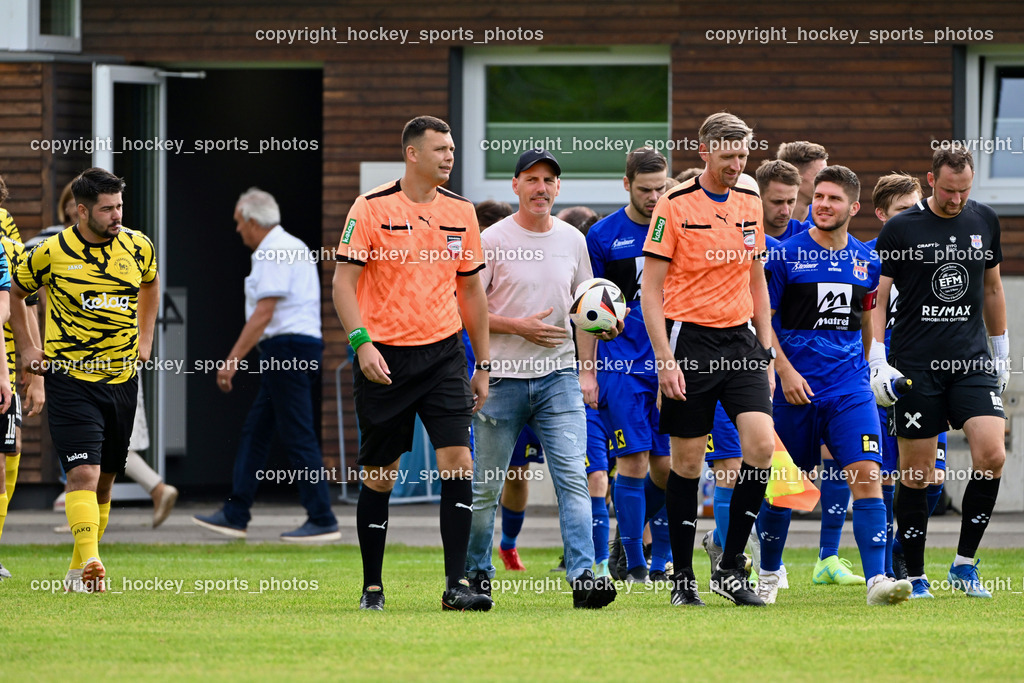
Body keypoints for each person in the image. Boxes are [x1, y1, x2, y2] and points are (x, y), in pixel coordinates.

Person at [333, 115, 492, 612]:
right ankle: (373, 587)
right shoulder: (372, 207)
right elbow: (343, 283)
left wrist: (482, 362)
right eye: (440, 148)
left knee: (459, 464)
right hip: (383, 355)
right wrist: (361, 344)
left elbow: (471, 291)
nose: (449, 155)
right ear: (412, 154)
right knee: (381, 473)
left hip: (444, 354)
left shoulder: (461, 212)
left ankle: (456, 586)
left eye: (451, 148)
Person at [465, 148, 617, 610]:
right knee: (487, 484)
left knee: (573, 476)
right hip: (501, 381)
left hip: (558, 378)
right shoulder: (490, 239)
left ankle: (584, 577)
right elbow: (467, 311)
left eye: (549, 180)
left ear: (558, 188)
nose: (541, 188)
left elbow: (586, 306)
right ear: (516, 186)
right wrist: (518, 326)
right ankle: (476, 574)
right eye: (531, 179)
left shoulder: (573, 239)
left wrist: (604, 326)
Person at [758, 165, 912, 606]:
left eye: (834, 199)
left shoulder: (868, 262)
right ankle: (768, 573)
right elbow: (763, 322)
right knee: (786, 488)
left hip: (850, 391)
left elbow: (868, 321)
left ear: (854, 207)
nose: (823, 205)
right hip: (794, 391)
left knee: (867, 476)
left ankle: (877, 580)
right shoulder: (785, 257)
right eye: (819, 197)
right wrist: (784, 372)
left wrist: (869, 368)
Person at [641, 112, 774, 607]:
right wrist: (663, 358)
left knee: (760, 447)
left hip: (740, 342)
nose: (736, 164)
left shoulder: (750, 199)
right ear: (704, 152)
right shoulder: (673, 205)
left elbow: (756, 279)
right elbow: (650, 292)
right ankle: (682, 578)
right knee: (688, 462)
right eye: (727, 156)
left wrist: (765, 349)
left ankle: (731, 565)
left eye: (743, 155)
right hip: (688, 342)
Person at [12, 167, 159, 593]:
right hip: (69, 379)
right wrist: (27, 349)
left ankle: (79, 569)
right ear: (81, 211)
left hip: (121, 380)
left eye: (119, 207)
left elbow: (150, 285)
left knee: (107, 480)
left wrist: (145, 339)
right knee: (83, 475)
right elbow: (17, 294)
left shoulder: (138, 246)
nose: (117, 216)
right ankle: (94, 558)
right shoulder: (49, 251)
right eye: (107, 209)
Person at [872, 146, 1007, 599]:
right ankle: (913, 573)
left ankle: (964, 565)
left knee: (992, 455)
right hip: (915, 366)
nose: (957, 199)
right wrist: (876, 357)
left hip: (971, 362)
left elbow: (992, 288)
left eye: (965, 189)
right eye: (949, 190)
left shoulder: (984, 220)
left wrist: (1001, 351)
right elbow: (877, 295)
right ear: (931, 181)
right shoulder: (901, 227)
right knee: (918, 473)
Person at [193, 188, 339, 542]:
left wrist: (231, 361)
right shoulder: (293, 246)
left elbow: (264, 311)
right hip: (294, 348)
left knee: (297, 433)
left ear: (254, 221)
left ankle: (321, 517)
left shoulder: (273, 250)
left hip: (285, 349)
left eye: (239, 222)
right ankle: (236, 512)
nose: (238, 230)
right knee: (257, 433)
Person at [585, 147, 672, 583]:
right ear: (626, 185)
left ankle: (637, 546)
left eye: (661, 188)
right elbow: (585, 308)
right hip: (620, 365)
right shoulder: (602, 235)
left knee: (671, 466)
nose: (655, 197)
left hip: (671, 362)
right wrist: (588, 370)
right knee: (634, 462)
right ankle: (638, 567)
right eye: (645, 189)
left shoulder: (679, 228)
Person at [865, 173, 946, 583]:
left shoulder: (935, 255)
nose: (913, 218)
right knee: (885, 477)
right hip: (881, 380)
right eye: (902, 211)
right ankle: (882, 569)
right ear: (882, 216)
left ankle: (902, 549)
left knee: (933, 478)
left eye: (916, 207)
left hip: (929, 378)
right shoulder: (866, 261)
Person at [776, 141, 829, 223]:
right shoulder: (761, 218)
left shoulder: (825, 219)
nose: (828, 181)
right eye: (820, 175)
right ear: (794, 177)